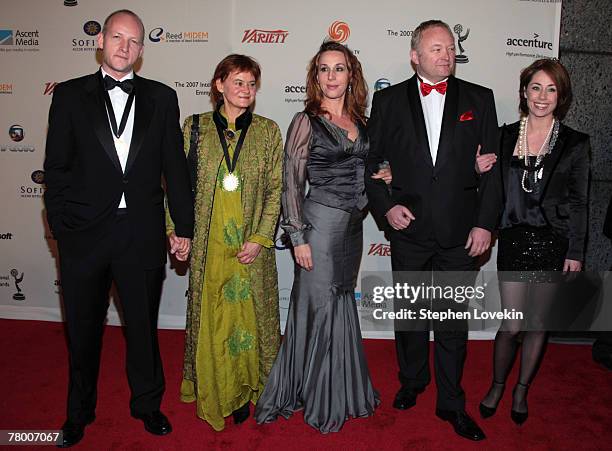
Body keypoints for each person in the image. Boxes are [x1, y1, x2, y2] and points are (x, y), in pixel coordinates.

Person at [43, 9, 194, 448]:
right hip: (84, 235)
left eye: (134, 41)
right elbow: (55, 167)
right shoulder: (70, 95)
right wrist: (61, 225)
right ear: (101, 41)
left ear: (142, 51)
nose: (125, 47)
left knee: (142, 328)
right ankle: (78, 412)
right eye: (117, 37)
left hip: (141, 233)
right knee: (83, 329)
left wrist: (182, 226)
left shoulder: (163, 98)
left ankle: (147, 404)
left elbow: (175, 170)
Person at [365, 20, 501, 441]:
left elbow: (494, 171)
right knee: (409, 316)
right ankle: (412, 381)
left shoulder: (480, 98)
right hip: (409, 230)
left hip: (461, 233)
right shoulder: (386, 101)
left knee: (451, 321)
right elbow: (373, 165)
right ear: (415, 55)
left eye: (451, 47)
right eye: (437, 48)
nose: (447, 54)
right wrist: (387, 209)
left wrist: (485, 224)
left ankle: (451, 402)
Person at [255, 41, 388, 433]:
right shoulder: (305, 120)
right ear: (316, 77)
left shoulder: (362, 123)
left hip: (352, 227)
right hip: (319, 224)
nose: (332, 77)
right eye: (324, 69)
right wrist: (296, 236)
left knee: (340, 300)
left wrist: (385, 174)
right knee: (319, 306)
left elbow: (367, 168)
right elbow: (291, 184)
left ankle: (339, 387)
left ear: (352, 75)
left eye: (340, 69)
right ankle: (317, 394)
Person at [168, 54, 283, 432]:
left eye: (251, 84)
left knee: (249, 321)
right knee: (216, 321)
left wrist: (260, 237)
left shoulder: (268, 131)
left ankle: (252, 388)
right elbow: (178, 186)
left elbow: (275, 190)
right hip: (208, 245)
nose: (246, 90)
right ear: (219, 85)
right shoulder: (195, 128)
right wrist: (175, 230)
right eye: (238, 82)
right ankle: (220, 390)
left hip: (250, 246)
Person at [479, 59, 590, 424]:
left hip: (552, 242)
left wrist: (575, 251)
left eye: (551, 89)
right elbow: (485, 186)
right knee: (512, 324)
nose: (542, 97)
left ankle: (521, 390)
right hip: (513, 238)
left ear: (561, 96)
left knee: (537, 322)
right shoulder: (504, 134)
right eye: (536, 87)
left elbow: (579, 202)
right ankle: (497, 384)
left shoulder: (575, 143)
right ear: (524, 91)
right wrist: (475, 168)